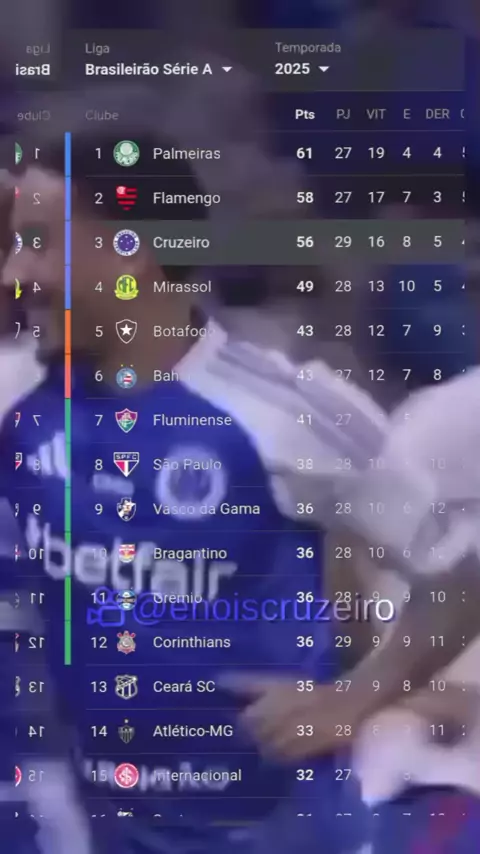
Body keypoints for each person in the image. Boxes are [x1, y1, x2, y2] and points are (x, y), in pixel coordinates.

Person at [0, 88, 375, 853]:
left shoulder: (289, 410)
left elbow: (454, 563)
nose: (14, 273)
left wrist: (359, 696)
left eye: (37, 243)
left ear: (129, 250)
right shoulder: (17, 400)